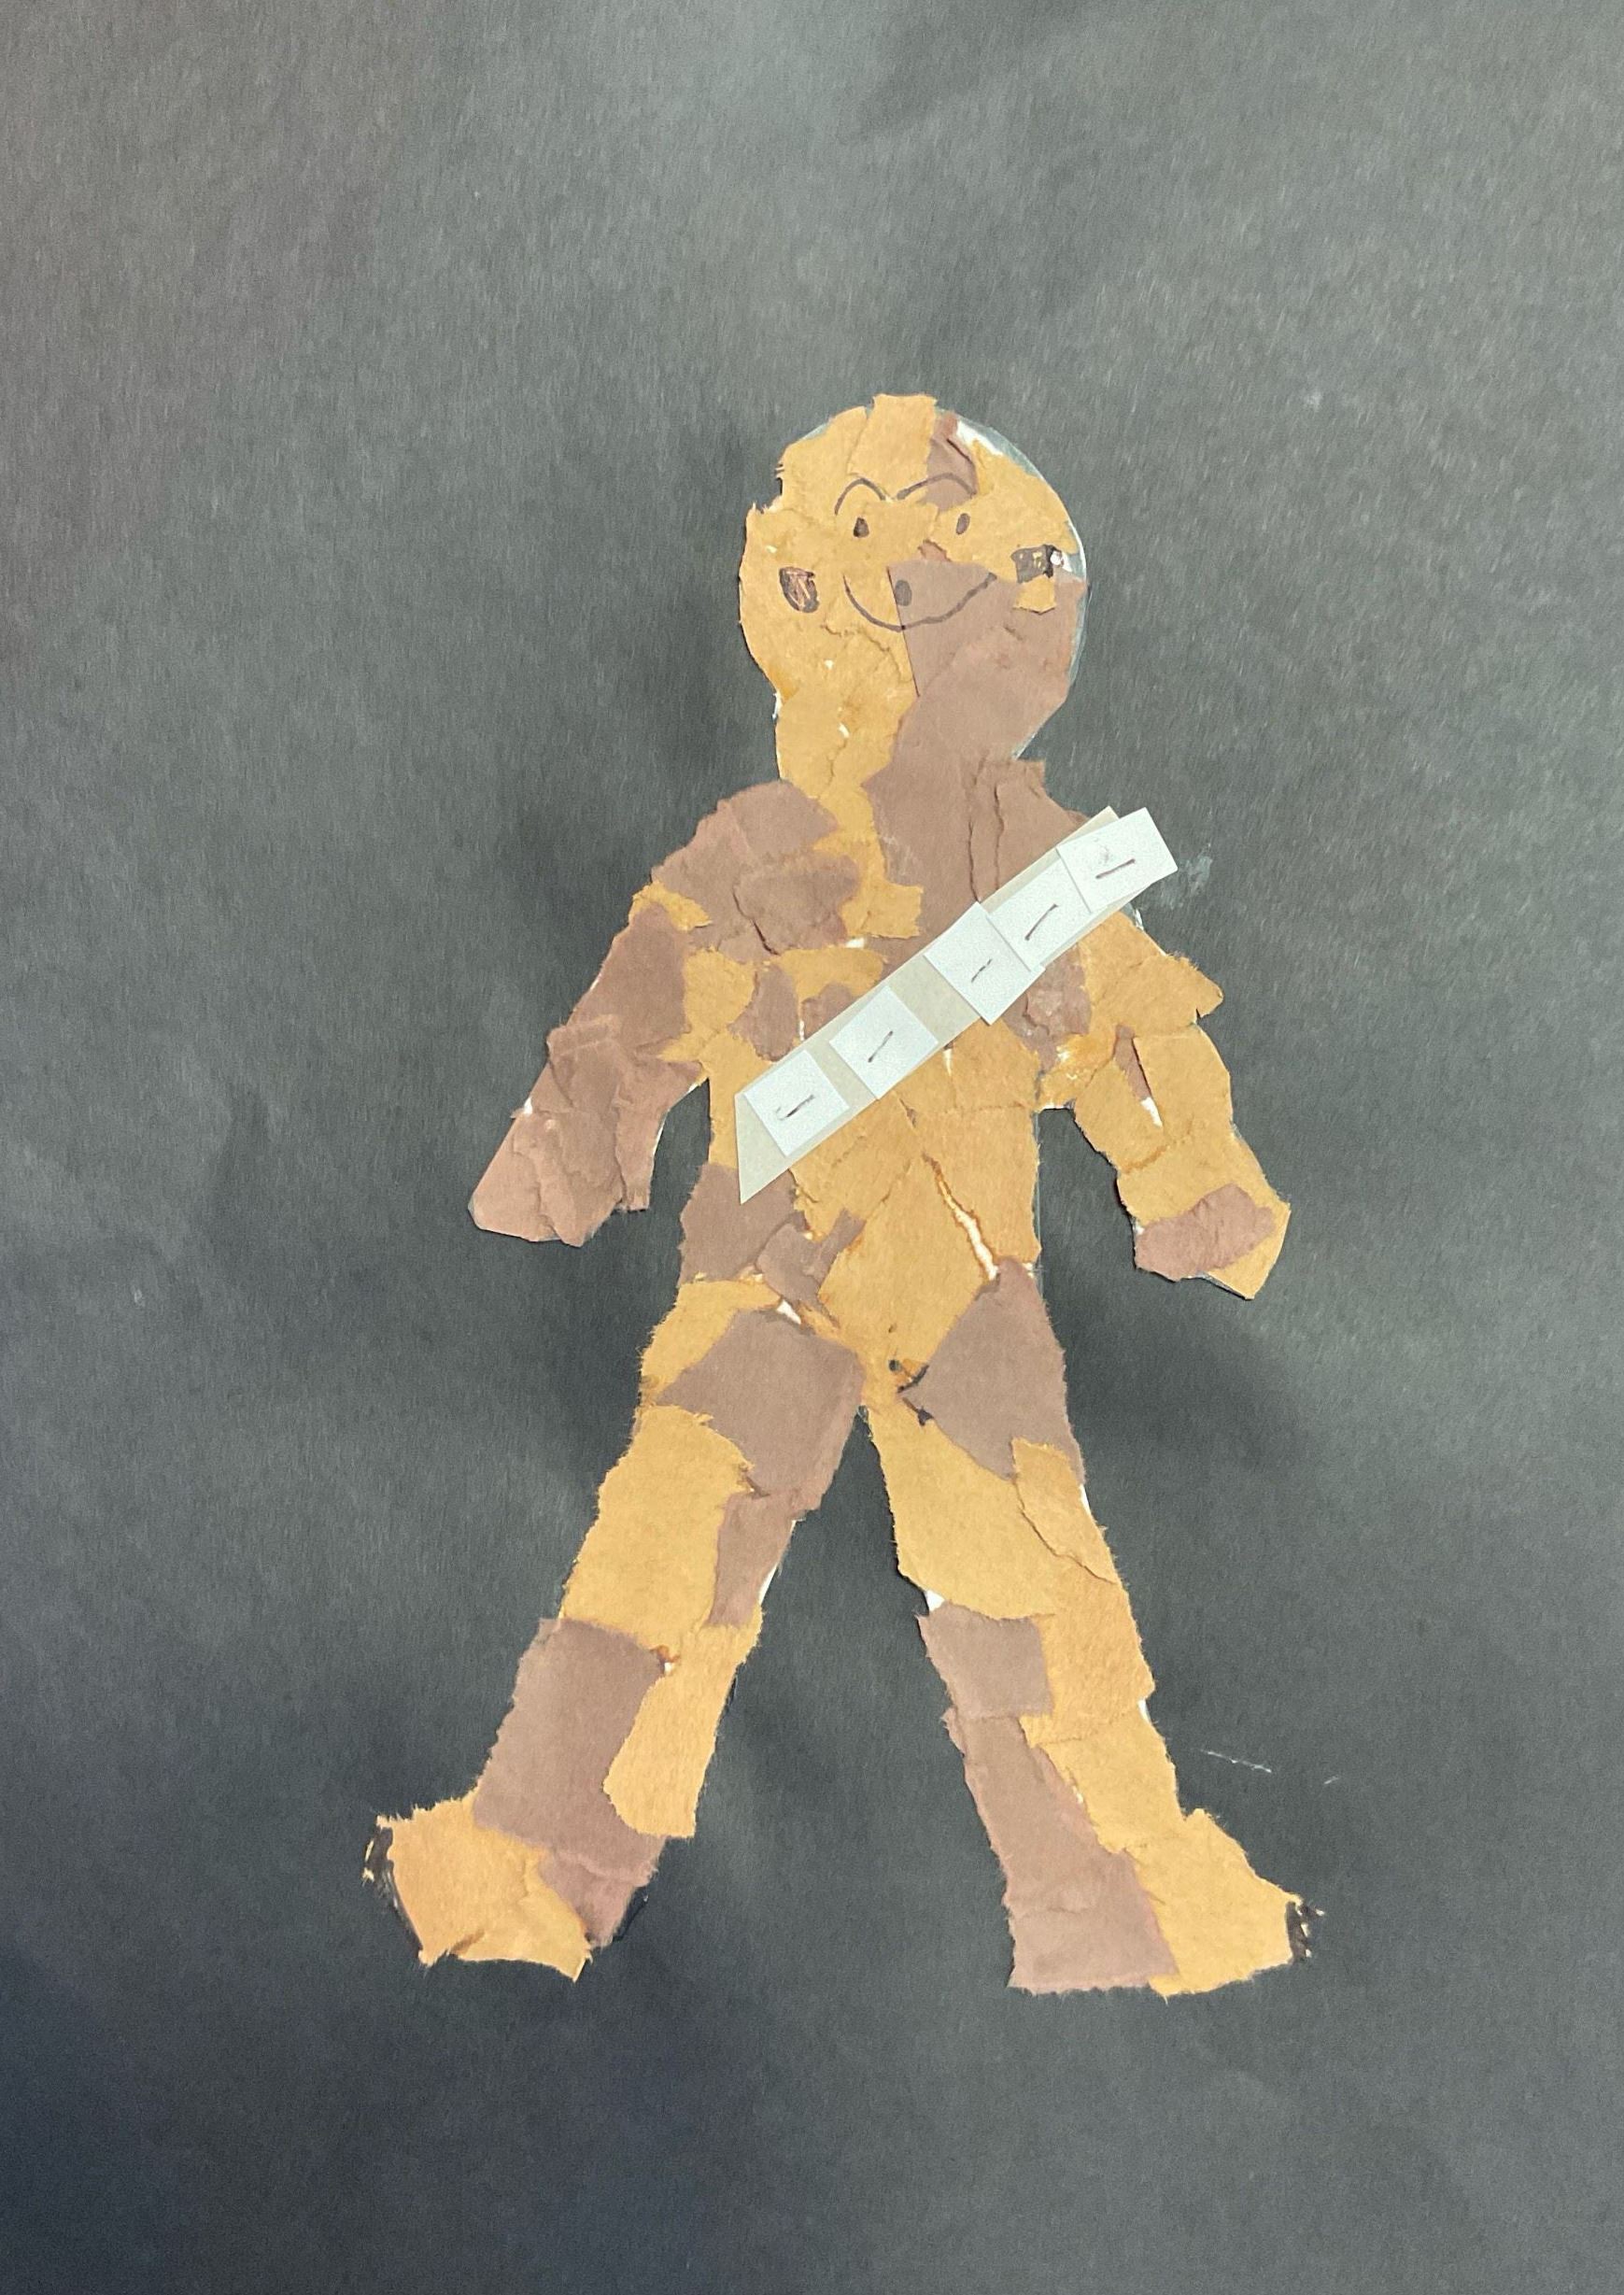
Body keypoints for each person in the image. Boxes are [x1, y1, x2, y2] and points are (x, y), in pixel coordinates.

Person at [370, 394, 1304, 1995]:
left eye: (977, 586)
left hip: (966, 1292)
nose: (962, 628)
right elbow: (642, 1001)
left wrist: (1194, 1182)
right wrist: (570, 1149)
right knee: (669, 1555)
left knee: (1026, 1585)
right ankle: (538, 1860)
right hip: (769, 1267)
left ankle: (1107, 1900)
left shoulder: (1039, 858)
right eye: (915, 586)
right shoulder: (756, 846)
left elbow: (1131, 1027)